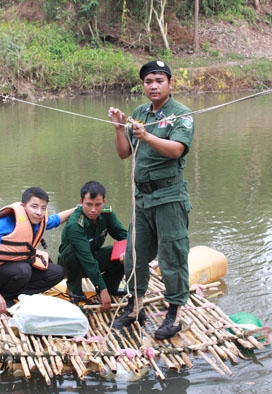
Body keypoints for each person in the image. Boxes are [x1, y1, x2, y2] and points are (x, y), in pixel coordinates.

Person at [107, 60, 194, 340]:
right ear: (143, 85)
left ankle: (175, 314)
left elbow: (177, 150)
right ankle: (135, 307)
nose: (153, 85)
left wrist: (148, 136)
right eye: (148, 81)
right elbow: (124, 154)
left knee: (172, 256)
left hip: (169, 197)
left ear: (170, 83)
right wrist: (120, 128)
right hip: (142, 198)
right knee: (134, 254)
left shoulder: (182, 114)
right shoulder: (140, 113)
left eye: (159, 80)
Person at [0, 187, 76, 313]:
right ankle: (4, 298)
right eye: (34, 206)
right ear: (24, 206)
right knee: (23, 270)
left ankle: (17, 295)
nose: (39, 212)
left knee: (58, 272)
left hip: (19, 269)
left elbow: (56, 219)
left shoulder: (39, 221)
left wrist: (77, 209)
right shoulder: (2, 224)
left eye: (43, 208)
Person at [58, 181, 128, 311]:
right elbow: (86, 259)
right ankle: (75, 290)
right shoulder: (75, 223)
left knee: (123, 250)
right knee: (73, 252)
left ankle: (111, 286)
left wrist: (127, 252)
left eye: (98, 205)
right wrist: (102, 290)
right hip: (72, 263)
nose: (93, 210)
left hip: (93, 255)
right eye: (88, 204)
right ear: (81, 201)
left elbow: (123, 235)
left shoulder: (107, 213)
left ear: (104, 202)